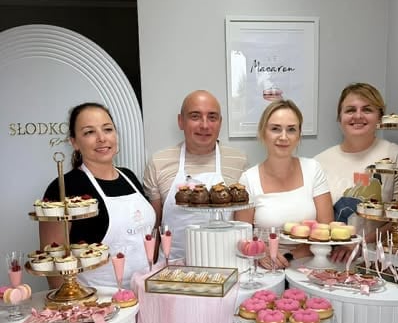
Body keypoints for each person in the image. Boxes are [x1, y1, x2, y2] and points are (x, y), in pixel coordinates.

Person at [40, 102, 156, 288]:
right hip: (98, 304)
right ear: (74, 142)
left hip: (144, 292)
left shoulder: (130, 177)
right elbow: (54, 266)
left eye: (107, 129)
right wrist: (73, 311)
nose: (102, 138)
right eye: (89, 132)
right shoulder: (63, 188)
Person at [315, 82, 398, 262]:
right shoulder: (318, 162)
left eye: (367, 109)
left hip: (380, 260)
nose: (358, 116)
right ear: (339, 118)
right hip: (331, 260)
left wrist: (361, 242)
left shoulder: (397, 157)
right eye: (350, 110)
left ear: (380, 116)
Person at [143, 90, 248, 260]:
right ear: (180, 121)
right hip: (173, 268)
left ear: (220, 123)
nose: (205, 125)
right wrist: (150, 268)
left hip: (225, 263)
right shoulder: (159, 162)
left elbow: (243, 224)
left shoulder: (238, 161)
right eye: (195, 116)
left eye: (212, 117)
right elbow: (154, 226)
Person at [234, 99, 334, 268]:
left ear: (299, 135)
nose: (283, 137)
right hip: (266, 269)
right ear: (263, 133)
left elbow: (326, 230)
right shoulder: (248, 179)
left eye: (291, 129)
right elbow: (242, 236)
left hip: (311, 268)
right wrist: (259, 251)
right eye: (275, 129)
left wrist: (290, 255)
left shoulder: (313, 169)